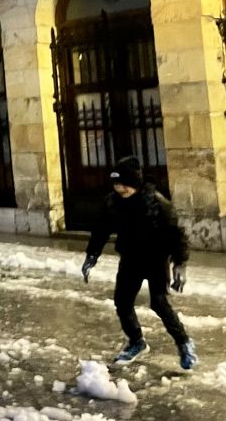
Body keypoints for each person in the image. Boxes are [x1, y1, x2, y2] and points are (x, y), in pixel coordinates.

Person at [82, 156, 196, 369]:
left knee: (159, 303)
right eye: (116, 184)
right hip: (130, 258)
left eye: (124, 184)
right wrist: (92, 255)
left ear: (135, 182)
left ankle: (184, 343)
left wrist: (180, 263)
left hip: (155, 259)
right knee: (122, 302)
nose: (120, 188)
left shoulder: (157, 203)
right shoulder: (113, 202)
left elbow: (176, 235)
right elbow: (101, 230)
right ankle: (136, 342)